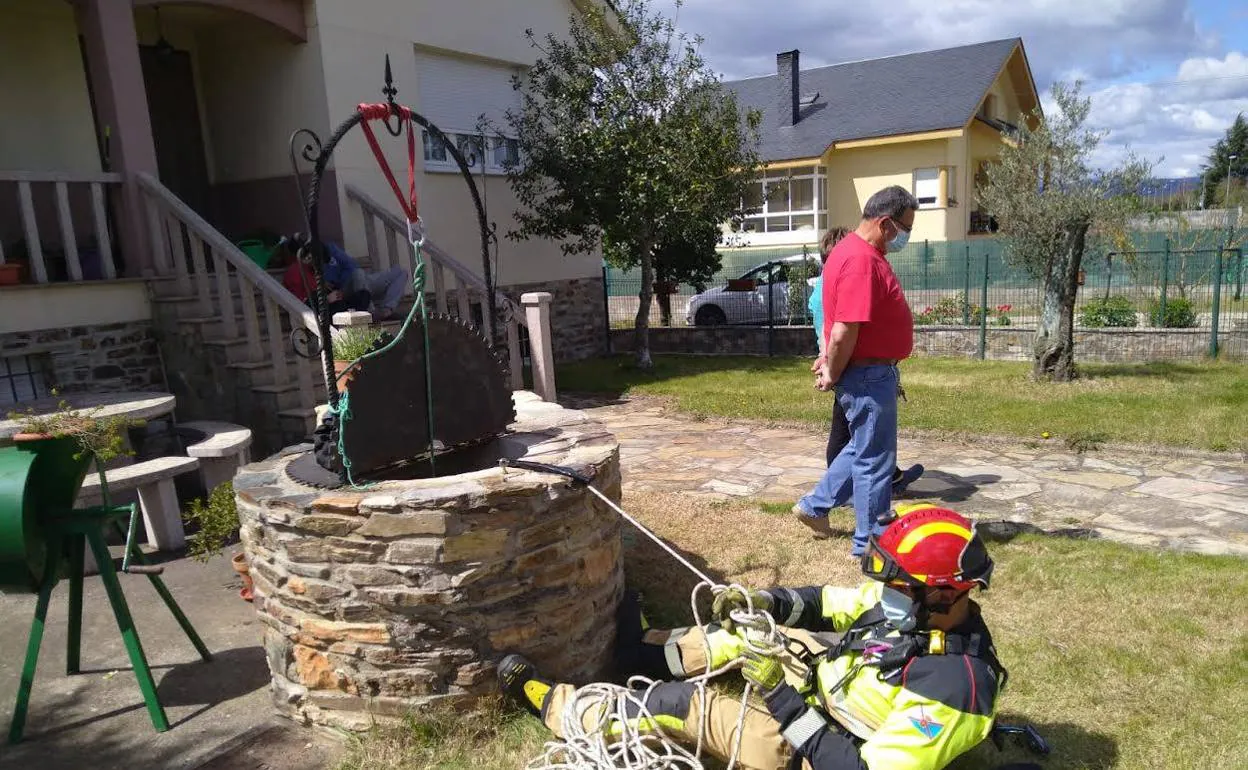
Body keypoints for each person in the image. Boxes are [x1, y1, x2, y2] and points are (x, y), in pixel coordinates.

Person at [498, 504, 1009, 770]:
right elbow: (829, 604)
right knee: (742, 633)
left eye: (897, 588)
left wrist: (780, 696)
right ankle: (646, 653)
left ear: (945, 595)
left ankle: (560, 711)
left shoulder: (953, 691)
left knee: (684, 706)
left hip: (814, 752)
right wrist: (764, 602)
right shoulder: (914, 614)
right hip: (827, 683)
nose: (883, 595)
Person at [795, 186, 918, 556]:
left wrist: (832, 365)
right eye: (904, 228)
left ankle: (815, 506)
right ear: (884, 223)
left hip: (867, 372)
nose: (906, 237)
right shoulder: (861, 259)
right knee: (875, 461)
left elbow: (834, 321)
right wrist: (831, 370)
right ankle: (870, 545)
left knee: (861, 450)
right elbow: (844, 328)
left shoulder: (850, 252)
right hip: (867, 375)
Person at [810, 227, 924, 493]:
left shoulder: (831, 282)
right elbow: (833, 329)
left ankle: (839, 493)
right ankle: (827, 496)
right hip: (854, 368)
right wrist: (828, 363)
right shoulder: (839, 281)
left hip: (849, 364)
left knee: (861, 432)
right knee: (859, 435)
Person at [282, 251, 372, 316]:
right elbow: (301, 303)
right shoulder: (294, 272)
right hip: (320, 308)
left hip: (330, 301)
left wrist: (332, 291)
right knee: (345, 305)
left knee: (363, 294)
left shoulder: (312, 269)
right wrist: (327, 299)